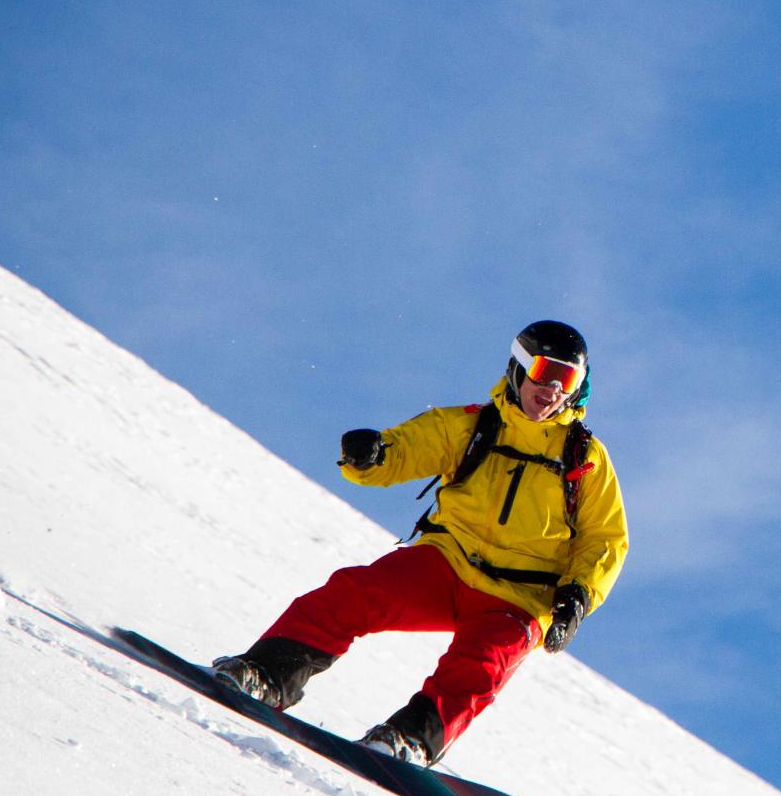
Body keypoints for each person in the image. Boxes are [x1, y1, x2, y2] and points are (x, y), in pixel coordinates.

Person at [211, 320, 628, 766]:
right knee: (357, 592)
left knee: (482, 663)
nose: (553, 390)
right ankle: (265, 675)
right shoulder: (472, 426)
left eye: (568, 380)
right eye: (546, 372)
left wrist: (577, 597)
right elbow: (407, 448)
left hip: (520, 596)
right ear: (519, 367)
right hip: (447, 564)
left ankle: (410, 740)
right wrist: (371, 456)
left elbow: (605, 537)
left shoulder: (584, 457)